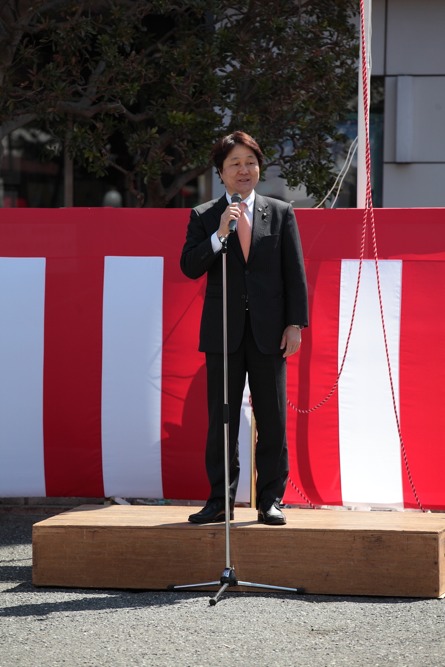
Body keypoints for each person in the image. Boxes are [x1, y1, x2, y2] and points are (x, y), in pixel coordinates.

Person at [180, 131, 308, 525]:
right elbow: (189, 266)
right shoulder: (204, 216)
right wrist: (220, 235)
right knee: (223, 419)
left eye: (250, 162)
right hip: (224, 334)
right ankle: (220, 500)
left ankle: (271, 499)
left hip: (270, 332)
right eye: (234, 163)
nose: (244, 170)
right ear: (221, 172)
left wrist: (295, 324)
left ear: (259, 167)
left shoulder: (281, 211)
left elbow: (294, 275)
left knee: (272, 420)